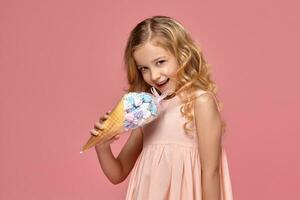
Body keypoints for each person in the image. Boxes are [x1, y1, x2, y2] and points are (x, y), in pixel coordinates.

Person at [90, 15, 233, 200]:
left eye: (160, 62)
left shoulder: (200, 103)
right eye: (144, 68)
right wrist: (102, 146)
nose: (154, 75)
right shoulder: (147, 110)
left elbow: (211, 172)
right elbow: (118, 173)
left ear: (182, 54)